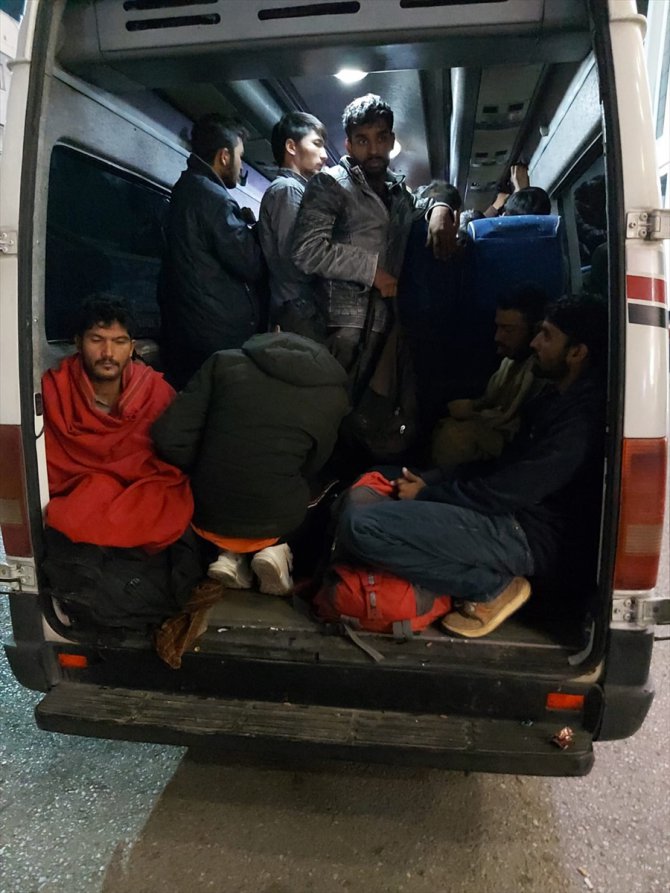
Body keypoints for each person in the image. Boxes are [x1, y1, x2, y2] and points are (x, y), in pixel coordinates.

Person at [335, 296, 607, 638]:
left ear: (576, 352)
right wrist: (433, 479)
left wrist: (427, 494)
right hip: (509, 513)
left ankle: (491, 588)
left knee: (362, 529)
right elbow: (500, 466)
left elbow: (510, 490)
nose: (535, 343)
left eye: (548, 336)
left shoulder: (579, 422)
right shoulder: (553, 400)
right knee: (381, 478)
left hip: (526, 534)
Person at [41, 295, 201, 629]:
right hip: (82, 490)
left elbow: (173, 458)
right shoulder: (53, 392)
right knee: (82, 502)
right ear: (78, 343)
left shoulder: (155, 392)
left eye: (119, 342)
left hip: (140, 488)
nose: (108, 353)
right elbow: (51, 466)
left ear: (132, 347)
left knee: (168, 502)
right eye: (97, 340)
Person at [152, 332, 349, 596]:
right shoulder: (334, 393)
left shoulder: (222, 363)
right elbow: (315, 462)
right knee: (323, 480)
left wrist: (201, 465)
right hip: (277, 521)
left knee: (237, 467)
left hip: (206, 513)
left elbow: (169, 437)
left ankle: (228, 555)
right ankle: (276, 550)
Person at [291, 93, 459, 390]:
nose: (373, 150)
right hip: (338, 326)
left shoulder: (399, 193)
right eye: (362, 140)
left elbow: (425, 202)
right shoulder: (330, 184)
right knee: (330, 405)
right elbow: (307, 250)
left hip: (385, 322)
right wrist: (373, 272)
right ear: (348, 145)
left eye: (380, 138)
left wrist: (441, 207)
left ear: (391, 140)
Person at [159, 114, 265, 389]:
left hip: (189, 331)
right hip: (214, 337)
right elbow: (249, 262)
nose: (241, 166)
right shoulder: (214, 198)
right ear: (224, 156)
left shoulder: (187, 187)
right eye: (240, 157)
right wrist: (259, 230)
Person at [431, 284, 548, 467]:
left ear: (534, 331)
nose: (498, 337)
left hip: (514, 457)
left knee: (456, 437)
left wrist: (474, 414)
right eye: (498, 327)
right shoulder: (508, 364)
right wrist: (474, 406)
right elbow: (494, 401)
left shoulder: (541, 375)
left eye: (508, 330)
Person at [258, 111, 328, 339]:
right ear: (291, 147)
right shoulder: (288, 190)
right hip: (297, 311)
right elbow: (295, 260)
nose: (324, 155)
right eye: (317, 144)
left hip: (299, 309)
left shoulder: (296, 190)